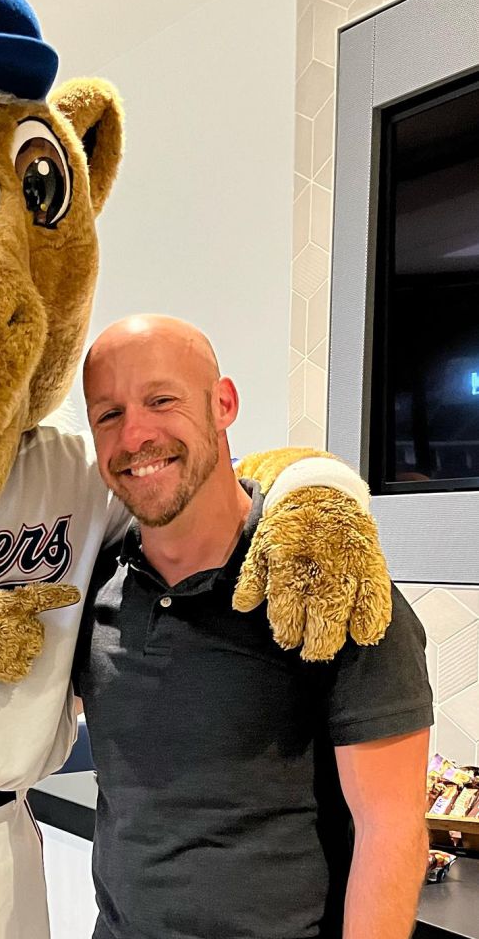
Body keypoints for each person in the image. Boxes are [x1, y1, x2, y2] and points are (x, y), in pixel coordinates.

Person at [75, 314, 433, 939]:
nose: (135, 435)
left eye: (162, 400)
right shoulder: (95, 582)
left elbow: (392, 827)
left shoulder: (323, 580)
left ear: (223, 403)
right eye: (109, 414)